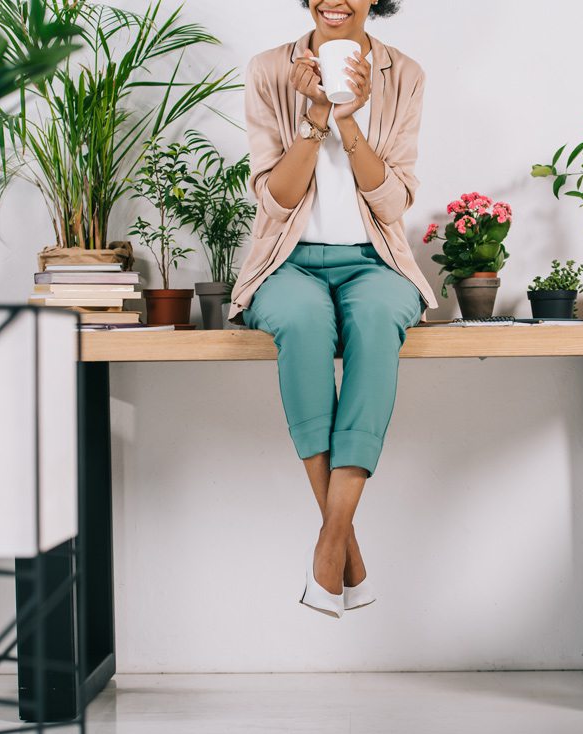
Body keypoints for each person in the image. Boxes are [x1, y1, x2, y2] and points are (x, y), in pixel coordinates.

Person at [225, 0, 439, 618]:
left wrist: (351, 123)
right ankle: (344, 546)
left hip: (375, 261)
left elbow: (394, 203)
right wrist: (315, 118)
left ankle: (329, 544)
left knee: (376, 320)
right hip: (287, 259)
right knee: (299, 320)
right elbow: (276, 198)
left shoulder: (405, 75)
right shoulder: (270, 70)